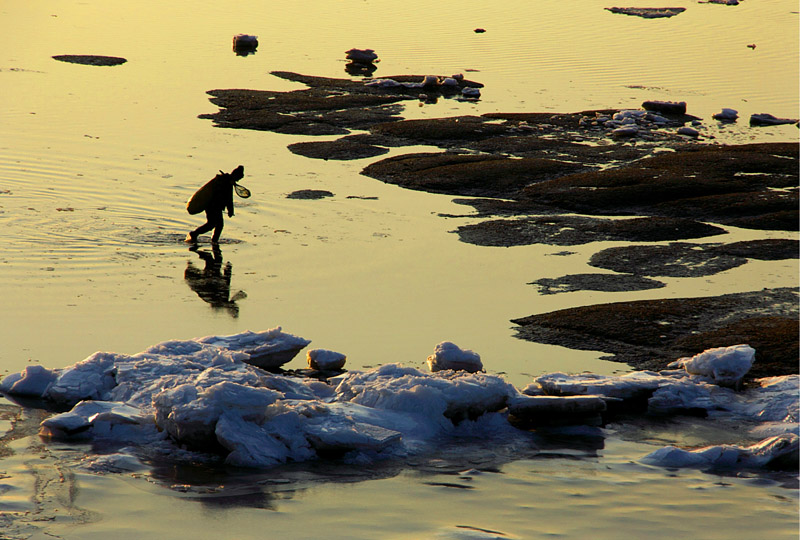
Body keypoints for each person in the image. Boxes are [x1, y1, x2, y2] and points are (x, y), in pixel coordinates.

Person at [186, 165, 244, 244]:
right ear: (236, 175)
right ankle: (199, 235)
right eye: (239, 178)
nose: (239, 180)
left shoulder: (224, 180)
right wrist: (230, 210)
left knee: (216, 224)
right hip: (213, 206)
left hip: (213, 206)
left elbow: (228, 198)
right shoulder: (226, 182)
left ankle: (212, 240)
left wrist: (230, 209)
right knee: (214, 224)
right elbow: (229, 198)